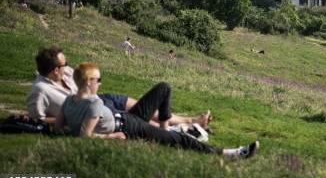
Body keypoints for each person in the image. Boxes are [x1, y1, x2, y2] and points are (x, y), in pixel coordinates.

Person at [56, 63, 258, 158]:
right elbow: (84, 137)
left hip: (127, 118)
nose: (100, 83)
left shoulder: (68, 101)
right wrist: (112, 138)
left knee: (164, 87)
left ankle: (165, 130)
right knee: (183, 141)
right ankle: (232, 153)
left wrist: (72, 128)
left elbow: (58, 129)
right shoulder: (94, 104)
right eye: (98, 80)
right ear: (89, 81)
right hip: (128, 126)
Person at [27, 46, 210, 127]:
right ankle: (177, 128)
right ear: (54, 71)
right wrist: (67, 117)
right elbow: (38, 119)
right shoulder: (41, 91)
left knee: (141, 106)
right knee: (144, 118)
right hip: (96, 111)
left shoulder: (65, 72)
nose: (67, 66)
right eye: (63, 65)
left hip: (103, 99)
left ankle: (190, 121)